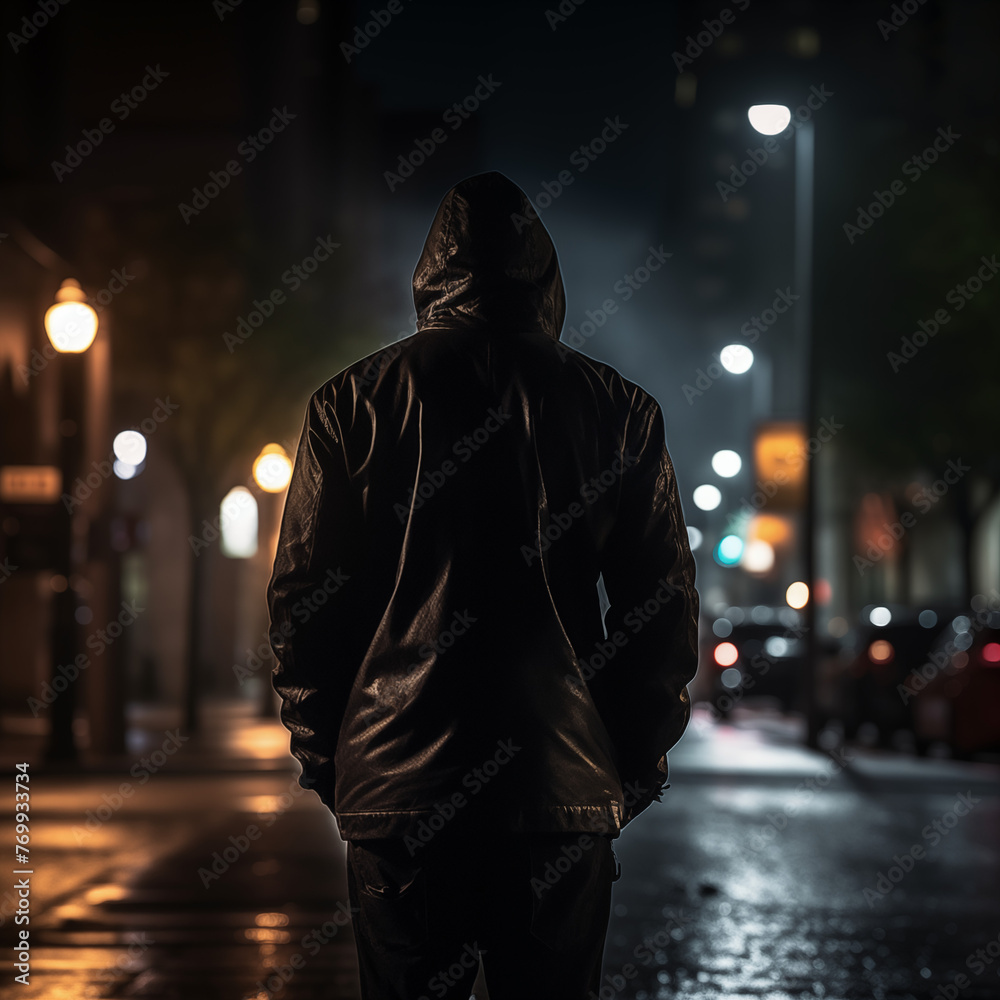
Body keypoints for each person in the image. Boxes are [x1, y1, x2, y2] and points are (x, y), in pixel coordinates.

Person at [266, 170, 700, 1000]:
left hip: (399, 796)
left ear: (431, 275)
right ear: (545, 277)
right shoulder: (618, 409)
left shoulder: (350, 403)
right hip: (556, 793)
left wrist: (337, 761)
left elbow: (304, 607)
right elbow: (660, 611)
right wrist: (624, 761)